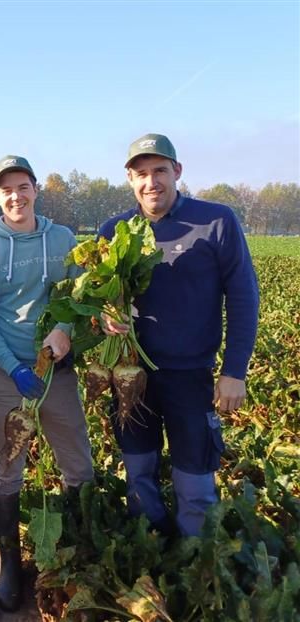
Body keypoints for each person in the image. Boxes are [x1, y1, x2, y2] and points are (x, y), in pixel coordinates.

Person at [99, 133, 259, 537]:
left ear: (177, 172)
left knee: (195, 484)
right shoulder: (113, 231)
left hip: (191, 376)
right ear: (130, 179)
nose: (151, 182)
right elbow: (97, 299)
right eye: (141, 173)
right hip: (131, 377)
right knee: (138, 476)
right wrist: (103, 317)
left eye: (160, 171)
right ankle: (153, 554)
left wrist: (234, 371)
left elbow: (243, 299)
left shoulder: (215, 221)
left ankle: (196, 567)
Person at [0, 155, 95, 612]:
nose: (15, 196)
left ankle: (78, 556)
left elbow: (81, 298)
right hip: (8, 376)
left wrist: (67, 330)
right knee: (9, 466)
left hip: (56, 375)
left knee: (77, 465)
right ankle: (8, 567)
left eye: (23, 186)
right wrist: (14, 367)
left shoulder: (62, 240)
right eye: (6, 190)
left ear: (36, 189)